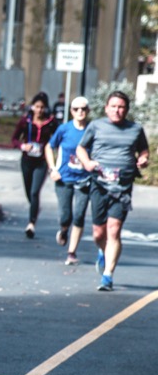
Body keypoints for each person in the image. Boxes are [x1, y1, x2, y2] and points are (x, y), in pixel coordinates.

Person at [75, 90, 150, 291]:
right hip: (99, 184)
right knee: (99, 233)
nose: (117, 110)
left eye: (121, 107)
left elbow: (143, 149)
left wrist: (143, 159)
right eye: (114, 106)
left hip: (123, 186)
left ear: (126, 109)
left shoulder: (135, 129)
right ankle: (103, 251)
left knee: (114, 230)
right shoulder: (96, 126)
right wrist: (87, 162)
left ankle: (107, 275)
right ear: (106, 108)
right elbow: (81, 148)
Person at [45, 96, 92, 265]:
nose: (80, 112)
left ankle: (71, 252)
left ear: (88, 111)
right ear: (71, 111)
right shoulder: (64, 129)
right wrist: (52, 168)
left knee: (79, 216)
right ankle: (64, 229)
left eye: (83, 109)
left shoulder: (92, 130)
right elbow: (49, 147)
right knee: (66, 216)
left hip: (85, 179)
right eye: (76, 109)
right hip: (64, 178)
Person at [11, 91, 59, 238]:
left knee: (34, 192)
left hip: (41, 162)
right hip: (27, 160)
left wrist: (50, 148)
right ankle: (35, 208)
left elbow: (56, 139)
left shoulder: (50, 122)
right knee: (28, 192)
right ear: (32, 107)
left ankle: (31, 224)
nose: (39, 110)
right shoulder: (25, 121)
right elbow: (14, 139)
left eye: (42, 107)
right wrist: (22, 146)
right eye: (37, 106)